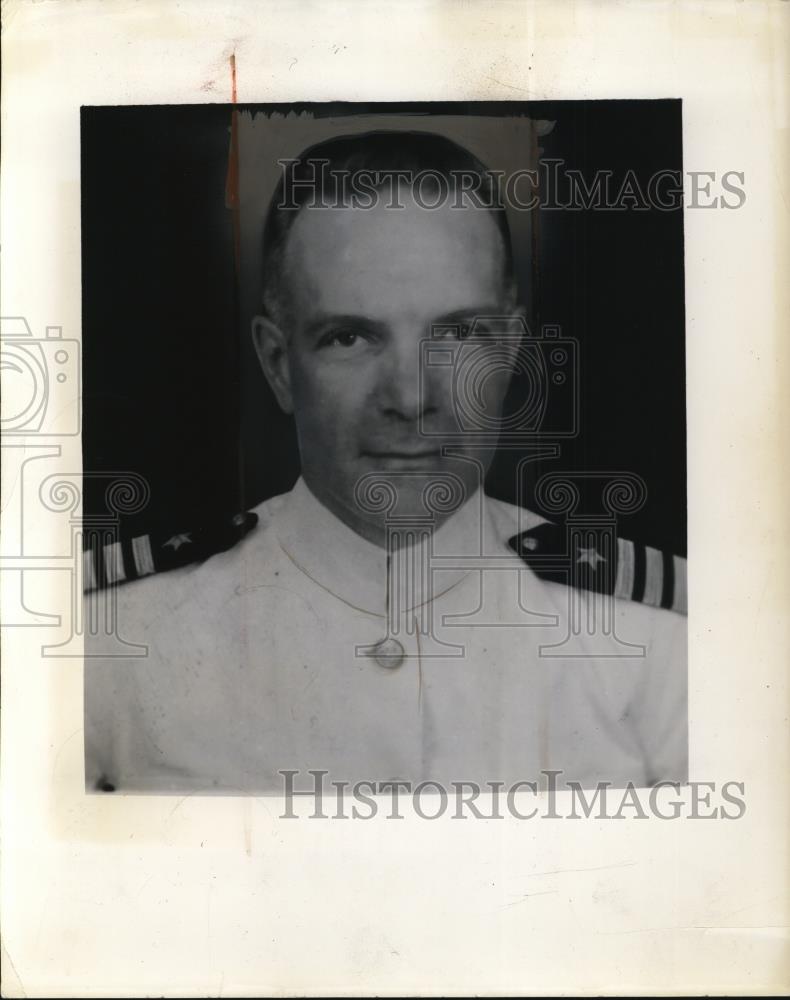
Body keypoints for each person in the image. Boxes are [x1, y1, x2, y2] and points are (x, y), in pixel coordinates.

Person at [84, 131, 687, 794]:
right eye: (350, 336)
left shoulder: (654, 639)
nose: (410, 397)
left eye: (458, 333)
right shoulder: (115, 640)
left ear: (512, 346)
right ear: (279, 364)